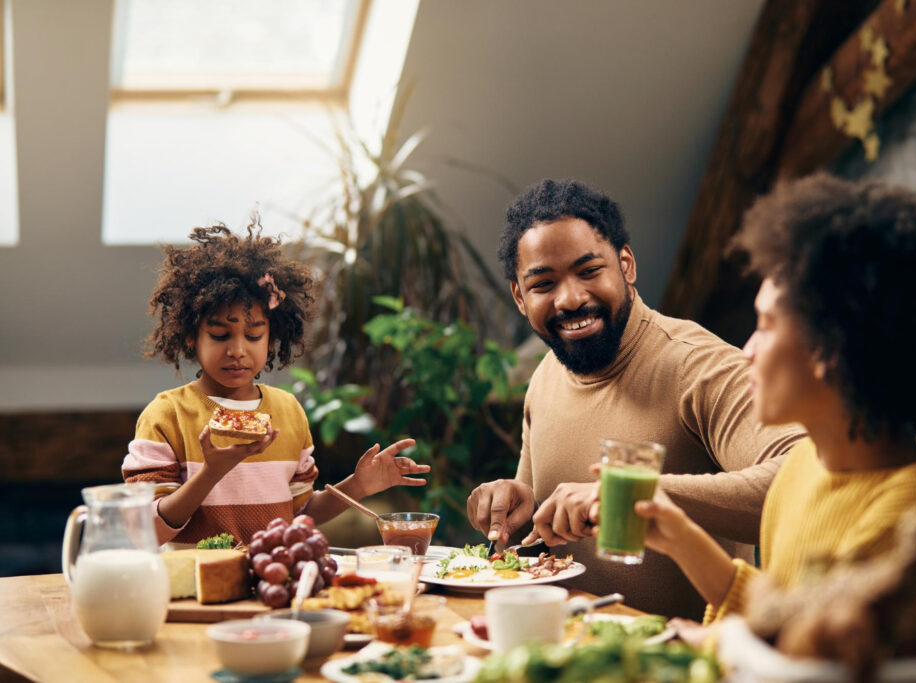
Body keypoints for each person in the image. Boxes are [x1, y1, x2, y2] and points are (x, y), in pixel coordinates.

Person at [607, 173, 916, 654]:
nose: (748, 350)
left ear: (829, 348)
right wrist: (684, 542)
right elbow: (788, 612)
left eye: (767, 325)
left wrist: (714, 642)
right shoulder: (801, 467)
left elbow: (816, 657)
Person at [466, 179, 805, 618]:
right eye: (543, 284)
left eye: (589, 271)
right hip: (567, 654)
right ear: (519, 296)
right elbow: (543, 517)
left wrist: (630, 495)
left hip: (685, 661)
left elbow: (801, 478)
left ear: (626, 265)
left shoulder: (698, 366)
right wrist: (514, 501)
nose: (570, 298)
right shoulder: (547, 375)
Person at [122, 222, 429, 545]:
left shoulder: (287, 410)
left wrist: (358, 486)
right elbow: (146, 530)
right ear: (189, 337)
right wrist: (211, 473)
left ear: (272, 339)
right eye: (219, 335)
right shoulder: (166, 415)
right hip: (194, 592)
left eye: (254, 335)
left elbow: (300, 511)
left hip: (271, 588)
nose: (238, 350)